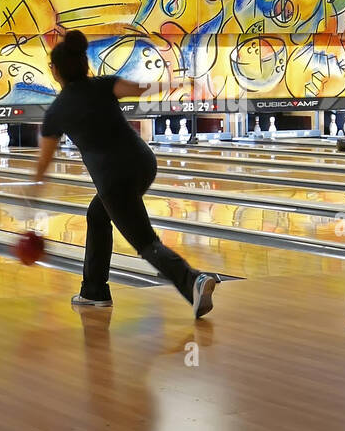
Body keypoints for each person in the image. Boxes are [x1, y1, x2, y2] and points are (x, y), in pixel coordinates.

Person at [33, 30, 217, 317]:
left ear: (55, 71)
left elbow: (44, 162)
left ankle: (193, 280)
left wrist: (31, 195)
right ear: (83, 63)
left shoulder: (57, 111)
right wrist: (174, 81)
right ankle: (93, 291)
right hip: (143, 164)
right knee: (97, 215)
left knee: (145, 242)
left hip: (114, 180)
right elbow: (142, 88)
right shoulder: (103, 85)